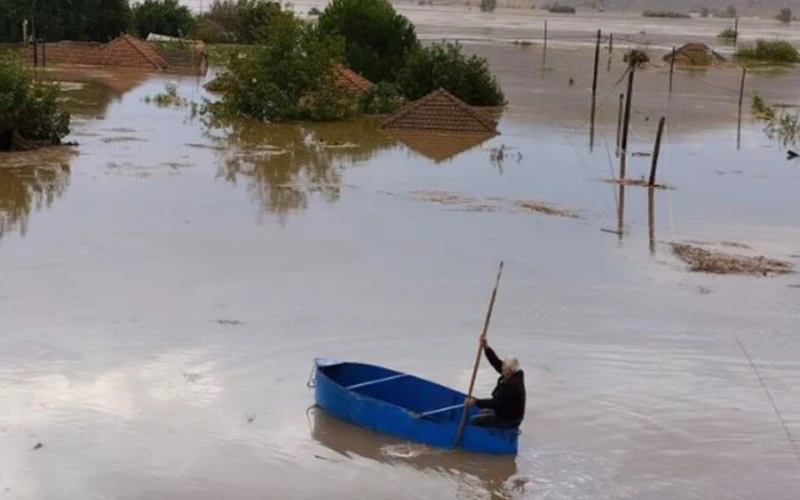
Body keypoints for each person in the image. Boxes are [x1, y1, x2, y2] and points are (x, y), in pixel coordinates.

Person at [467, 338, 526, 429]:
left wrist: (475, 402)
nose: (501, 368)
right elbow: (496, 363)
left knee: (474, 420)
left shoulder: (511, 385)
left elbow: (494, 403)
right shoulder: (515, 374)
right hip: (506, 412)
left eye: (504, 367)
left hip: (510, 419)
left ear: (509, 370)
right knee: (482, 412)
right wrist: (486, 348)